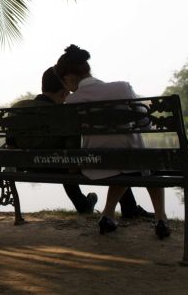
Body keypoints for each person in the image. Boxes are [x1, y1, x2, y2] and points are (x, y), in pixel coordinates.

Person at [54, 45, 169, 239]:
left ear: (69, 78)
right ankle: (161, 218)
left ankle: (107, 215)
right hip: (131, 160)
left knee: (121, 163)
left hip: (93, 165)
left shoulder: (72, 102)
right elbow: (144, 122)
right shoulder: (122, 88)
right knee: (138, 160)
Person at [11, 67, 149, 216]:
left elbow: (10, 142)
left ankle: (84, 205)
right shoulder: (64, 112)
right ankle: (129, 208)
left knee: (67, 162)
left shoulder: (18, 107)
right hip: (59, 165)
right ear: (64, 91)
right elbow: (72, 149)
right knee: (105, 160)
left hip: (25, 165)